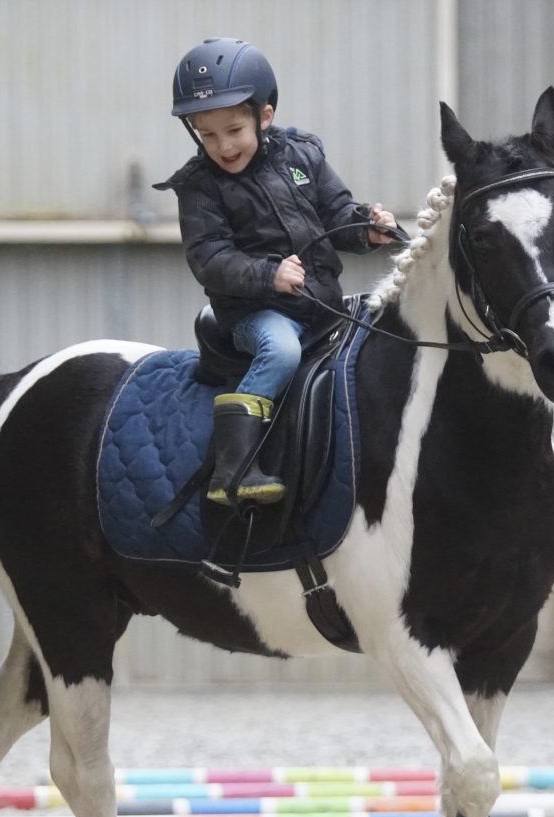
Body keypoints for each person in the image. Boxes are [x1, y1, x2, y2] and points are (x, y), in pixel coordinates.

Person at [156, 37, 400, 506]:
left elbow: (336, 212)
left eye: (233, 130)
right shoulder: (198, 188)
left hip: (321, 302)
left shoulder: (302, 155)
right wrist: (269, 274)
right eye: (207, 135)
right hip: (256, 312)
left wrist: (367, 228)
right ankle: (234, 467)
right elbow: (209, 258)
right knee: (282, 351)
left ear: (264, 117)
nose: (223, 146)